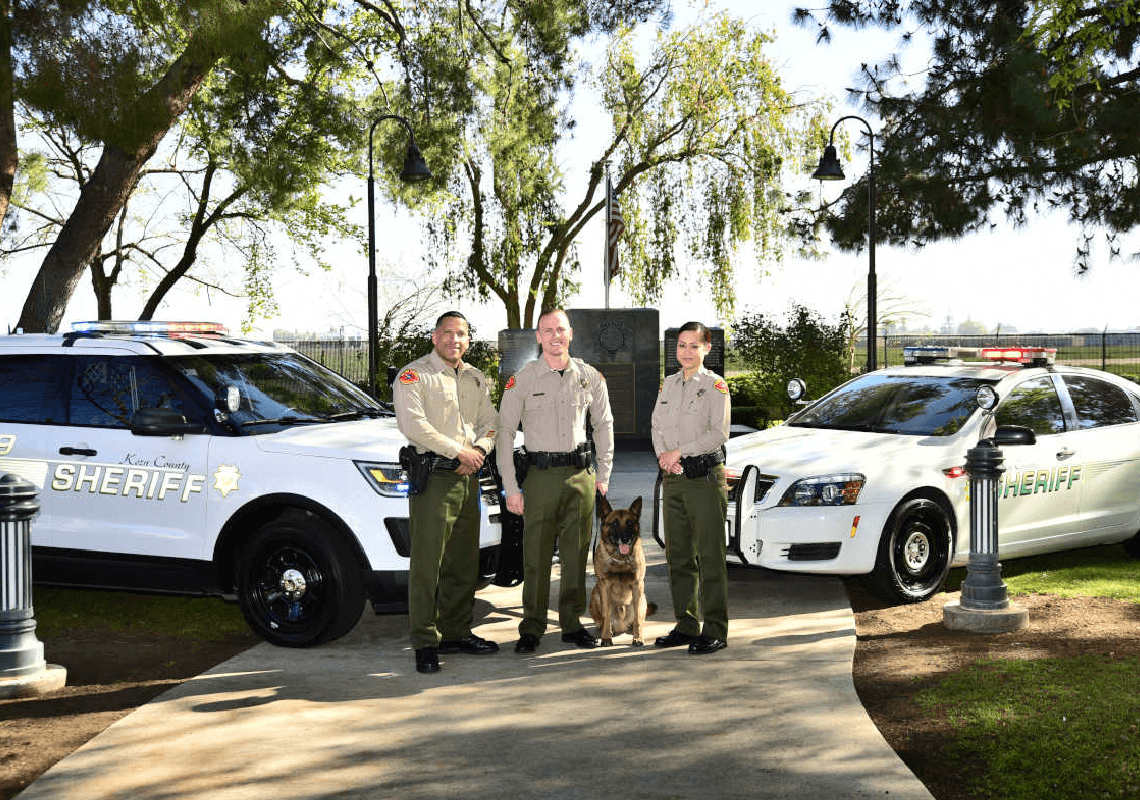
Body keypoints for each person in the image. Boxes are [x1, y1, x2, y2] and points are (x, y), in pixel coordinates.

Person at [497, 308, 615, 653]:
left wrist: (603, 474)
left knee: (576, 555)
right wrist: (511, 486)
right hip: (540, 478)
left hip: (580, 477)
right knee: (535, 555)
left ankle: (571, 623)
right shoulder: (523, 379)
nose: (555, 336)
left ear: (571, 333)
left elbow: (604, 425)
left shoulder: (590, 377)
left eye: (560, 329)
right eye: (547, 330)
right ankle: (531, 626)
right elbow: (504, 433)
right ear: (538, 337)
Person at [393, 311, 500, 674]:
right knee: (428, 565)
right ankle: (425, 642)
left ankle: (456, 632)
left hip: (469, 477)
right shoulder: (415, 375)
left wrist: (480, 451)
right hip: (435, 479)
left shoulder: (475, 378)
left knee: (463, 562)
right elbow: (413, 424)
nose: (456, 340)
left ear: (468, 340)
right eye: (449, 333)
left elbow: (490, 422)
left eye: (463, 334)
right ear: (435, 337)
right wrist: (458, 452)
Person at [651, 321, 731, 654]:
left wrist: (679, 452)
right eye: (681, 346)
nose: (686, 352)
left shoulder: (716, 387)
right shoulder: (667, 385)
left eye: (693, 346)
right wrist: (664, 458)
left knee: (709, 556)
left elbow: (718, 434)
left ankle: (715, 628)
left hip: (703, 480)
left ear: (706, 349)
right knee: (678, 555)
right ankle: (686, 624)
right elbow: (656, 425)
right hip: (673, 480)